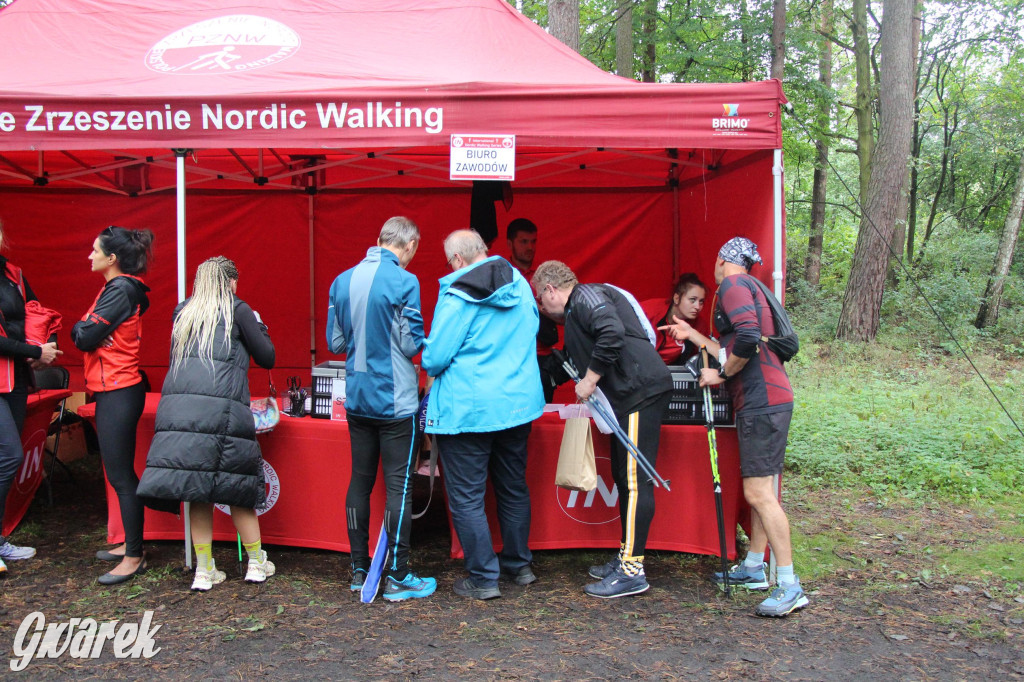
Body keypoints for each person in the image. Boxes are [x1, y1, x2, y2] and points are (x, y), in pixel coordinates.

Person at [664, 237, 806, 617]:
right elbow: (738, 342)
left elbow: (744, 340)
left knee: (759, 493)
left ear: (721, 259)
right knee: (761, 490)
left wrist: (721, 374)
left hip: (763, 400)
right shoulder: (753, 286)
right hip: (768, 399)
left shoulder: (732, 285)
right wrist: (693, 336)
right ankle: (755, 567)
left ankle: (790, 585)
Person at [531, 260, 672, 599]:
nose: (541, 306)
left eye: (540, 298)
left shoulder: (586, 297)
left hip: (641, 392)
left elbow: (612, 332)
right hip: (627, 399)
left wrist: (591, 380)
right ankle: (626, 554)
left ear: (551, 289)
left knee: (636, 481)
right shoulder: (577, 320)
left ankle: (633, 569)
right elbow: (563, 364)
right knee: (623, 479)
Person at [136, 257, 277, 591]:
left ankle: (203, 569)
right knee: (237, 489)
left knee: (196, 491)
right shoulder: (238, 309)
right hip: (225, 413)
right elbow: (267, 357)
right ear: (230, 282)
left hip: (181, 414)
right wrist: (259, 326)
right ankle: (257, 563)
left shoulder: (182, 312)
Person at [422, 229, 544, 600]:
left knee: (467, 496)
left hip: (468, 409)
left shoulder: (457, 295)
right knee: (512, 487)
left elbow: (435, 357)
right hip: (517, 404)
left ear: (457, 260)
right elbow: (535, 327)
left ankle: (483, 577)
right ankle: (518, 564)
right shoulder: (519, 283)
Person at [325, 216, 436, 602]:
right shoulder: (406, 280)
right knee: (399, 485)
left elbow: (335, 342)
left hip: (356, 398)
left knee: (359, 480)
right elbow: (410, 345)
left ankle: (359, 570)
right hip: (396, 401)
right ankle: (398, 574)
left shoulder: (341, 280)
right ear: (410, 246)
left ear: (377, 239)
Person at [71, 226, 153, 585]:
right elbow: (85, 334)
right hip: (114, 387)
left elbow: (83, 336)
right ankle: (131, 546)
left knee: (121, 475)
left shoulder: (120, 289)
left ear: (112, 258)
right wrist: (86, 330)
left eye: (94, 250)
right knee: (119, 473)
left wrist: (86, 329)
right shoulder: (118, 289)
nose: (90, 256)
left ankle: (134, 555)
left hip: (118, 389)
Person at [0, 220, 62, 575]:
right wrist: (33, 349)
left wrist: (42, 344)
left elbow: (34, 309)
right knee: (8, 456)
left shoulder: (13, 273)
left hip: (17, 378)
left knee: (8, 455)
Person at [506, 218, 560, 401]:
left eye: (533, 241)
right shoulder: (502, 275)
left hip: (542, 357)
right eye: (523, 241)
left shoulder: (545, 277)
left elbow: (562, 314)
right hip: (511, 357)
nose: (530, 247)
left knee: (543, 414)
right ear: (509, 243)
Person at [639, 273, 709, 365]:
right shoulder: (649, 310)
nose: (697, 306)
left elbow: (701, 357)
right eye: (692, 300)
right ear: (676, 298)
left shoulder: (699, 326)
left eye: (701, 302)